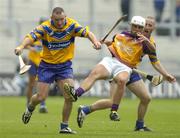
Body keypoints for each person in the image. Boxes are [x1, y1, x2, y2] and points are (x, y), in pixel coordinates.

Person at [64, 16, 176, 131]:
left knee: (146, 98)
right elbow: (116, 46)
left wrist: (166, 74)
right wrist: (103, 43)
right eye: (145, 24)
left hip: (131, 70)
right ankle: (80, 98)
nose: (146, 27)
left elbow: (155, 61)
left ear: (153, 28)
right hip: (119, 67)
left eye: (149, 25)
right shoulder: (125, 34)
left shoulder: (149, 44)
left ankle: (139, 125)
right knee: (109, 96)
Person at [14, 7, 101, 134]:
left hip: (64, 67)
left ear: (65, 17)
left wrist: (96, 42)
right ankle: (30, 107)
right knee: (41, 96)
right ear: (51, 18)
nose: (60, 22)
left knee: (70, 96)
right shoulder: (45, 27)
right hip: (47, 66)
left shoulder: (72, 25)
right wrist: (21, 46)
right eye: (56, 20)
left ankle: (64, 126)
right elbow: (30, 37)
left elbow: (88, 33)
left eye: (62, 19)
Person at [26, 17, 48, 113]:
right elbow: (25, 44)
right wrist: (31, 48)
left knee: (42, 84)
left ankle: (42, 105)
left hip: (43, 63)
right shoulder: (35, 34)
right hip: (32, 62)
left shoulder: (49, 36)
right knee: (31, 84)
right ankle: (28, 103)